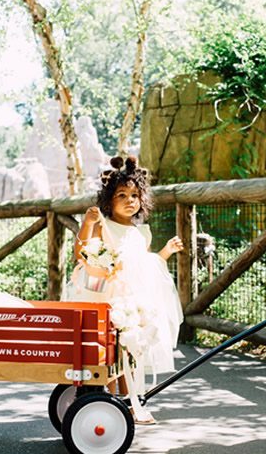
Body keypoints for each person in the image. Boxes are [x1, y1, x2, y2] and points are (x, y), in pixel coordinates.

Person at [67, 155, 183, 424]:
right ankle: (110, 401)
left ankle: (131, 402)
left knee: (131, 353)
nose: (130, 200)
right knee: (110, 352)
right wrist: (87, 223)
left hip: (133, 300)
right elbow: (83, 253)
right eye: (122, 195)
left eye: (135, 195)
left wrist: (166, 251)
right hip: (105, 296)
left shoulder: (141, 233)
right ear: (109, 200)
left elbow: (146, 265)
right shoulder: (103, 225)